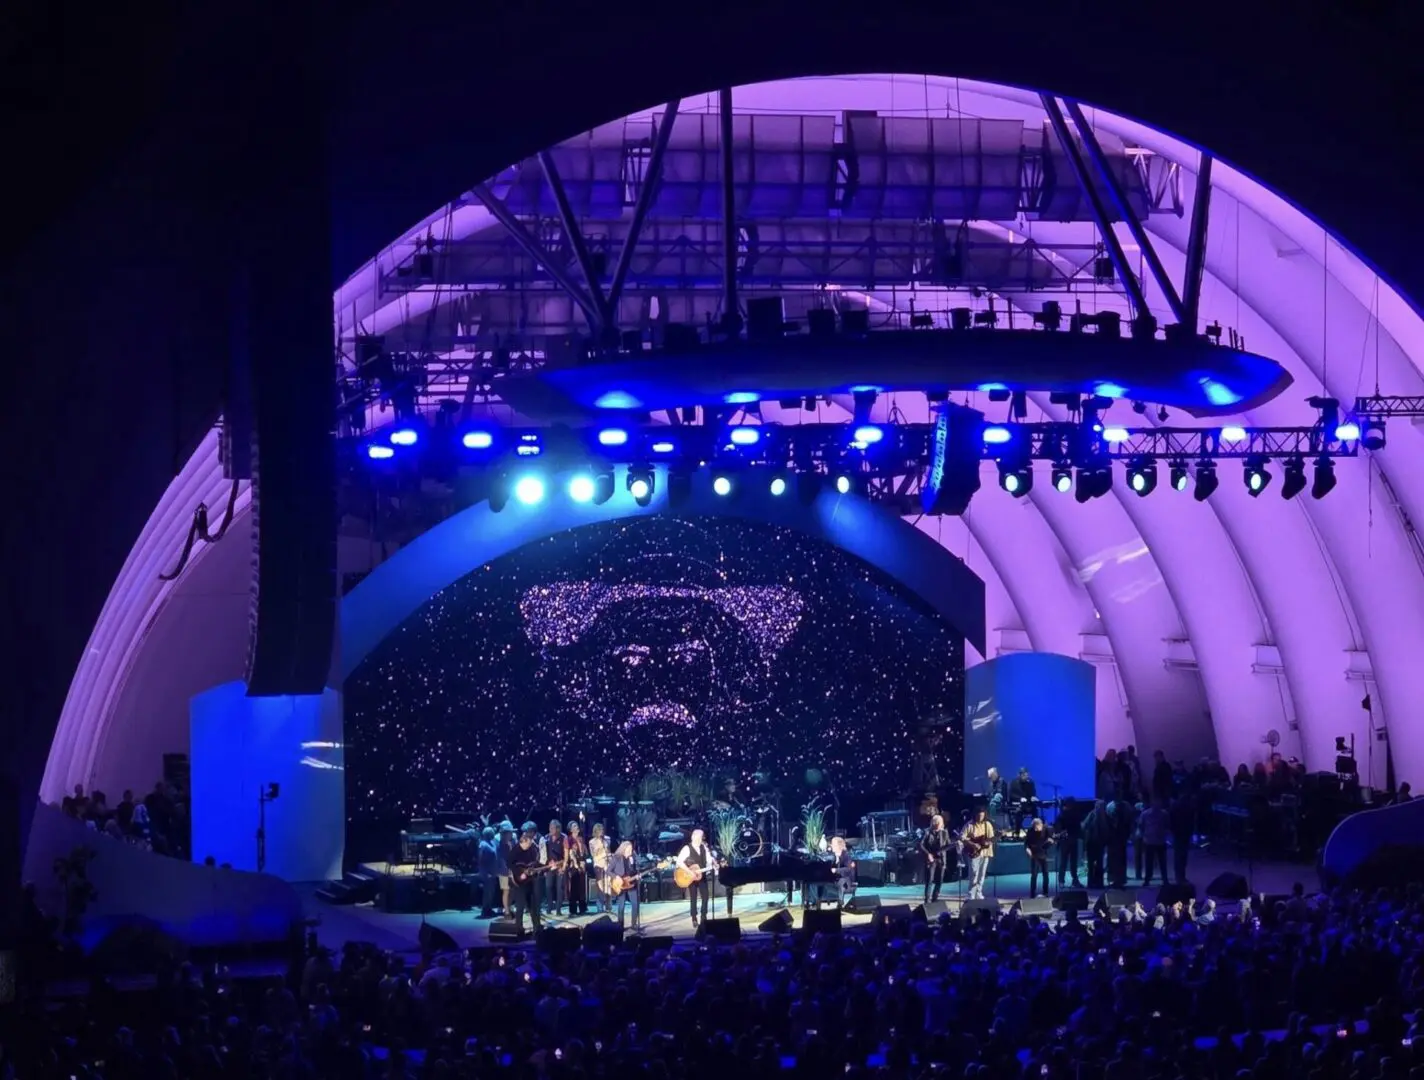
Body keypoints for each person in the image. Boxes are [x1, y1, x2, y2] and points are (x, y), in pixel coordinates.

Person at [675, 826, 717, 929]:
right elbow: (679, 862)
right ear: (693, 837)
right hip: (691, 877)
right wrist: (690, 872)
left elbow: (708, 859)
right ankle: (694, 918)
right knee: (693, 897)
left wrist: (713, 863)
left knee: (706, 896)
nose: (700, 840)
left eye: (701, 837)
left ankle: (704, 917)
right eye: (698, 838)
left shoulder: (704, 847)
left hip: (701, 875)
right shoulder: (687, 848)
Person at [507, 823, 544, 936]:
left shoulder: (532, 849)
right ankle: (519, 928)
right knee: (520, 906)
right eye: (527, 844)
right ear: (522, 842)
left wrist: (546, 867)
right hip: (518, 883)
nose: (529, 846)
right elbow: (510, 864)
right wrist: (519, 874)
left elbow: (535, 864)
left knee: (533, 906)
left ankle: (537, 928)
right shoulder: (515, 851)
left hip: (530, 882)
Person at [919, 814, 954, 903]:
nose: (937, 824)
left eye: (939, 822)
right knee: (929, 880)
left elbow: (948, 845)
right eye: (936, 822)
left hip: (941, 860)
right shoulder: (927, 832)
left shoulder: (944, 833)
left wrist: (955, 843)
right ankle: (927, 901)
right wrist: (928, 854)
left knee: (939, 881)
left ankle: (935, 900)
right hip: (931, 860)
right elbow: (920, 845)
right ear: (933, 823)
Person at [608, 840, 641, 931]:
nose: (631, 851)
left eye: (631, 849)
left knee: (635, 904)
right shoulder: (617, 857)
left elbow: (636, 869)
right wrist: (616, 877)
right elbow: (608, 871)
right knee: (621, 906)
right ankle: (620, 925)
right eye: (629, 849)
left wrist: (637, 875)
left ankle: (634, 924)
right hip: (620, 884)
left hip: (630, 883)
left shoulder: (633, 857)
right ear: (624, 849)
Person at [963, 807, 995, 901]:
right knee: (973, 873)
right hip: (974, 853)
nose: (980, 817)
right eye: (979, 815)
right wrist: (972, 844)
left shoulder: (987, 824)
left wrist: (988, 842)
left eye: (982, 815)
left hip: (985, 852)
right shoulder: (969, 825)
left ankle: (979, 892)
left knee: (982, 874)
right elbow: (962, 837)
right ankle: (971, 894)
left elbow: (991, 838)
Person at [1138, 798, 1171, 886]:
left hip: (1151, 840)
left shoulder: (1145, 814)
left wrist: (1144, 834)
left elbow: (1141, 825)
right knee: (1160, 861)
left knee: (1151, 861)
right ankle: (1164, 879)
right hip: (1157, 840)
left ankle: (1148, 880)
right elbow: (1167, 825)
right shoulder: (1164, 813)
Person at [1055, 796, 1083, 889]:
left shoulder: (1069, 815)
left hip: (1069, 840)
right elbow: (1059, 828)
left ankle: (1068, 881)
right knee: (1067, 862)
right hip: (1067, 841)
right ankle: (1064, 881)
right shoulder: (1065, 815)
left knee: (1068, 862)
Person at [1082, 799, 1108, 890]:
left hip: (1094, 842)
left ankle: (1093, 882)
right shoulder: (1100, 815)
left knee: (1094, 864)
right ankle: (1097, 883)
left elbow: (1083, 826)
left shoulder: (1093, 814)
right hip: (1095, 842)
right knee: (1096, 863)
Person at [1023, 817, 1052, 899]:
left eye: (1037, 828)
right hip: (1034, 855)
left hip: (1043, 854)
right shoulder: (1031, 831)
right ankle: (1032, 893)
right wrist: (1027, 850)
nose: (1036, 829)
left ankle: (1045, 892)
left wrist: (1050, 842)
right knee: (1034, 875)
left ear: (1041, 825)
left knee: (1045, 874)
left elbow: (1051, 839)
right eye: (1034, 828)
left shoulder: (1046, 829)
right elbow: (1026, 844)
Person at [543, 820, 567, 916]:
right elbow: (544, 854)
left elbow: (566, 855)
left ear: (558, 828)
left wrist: (560, 864)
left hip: (560, 866)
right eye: (550, 827)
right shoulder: (546, 838)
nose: (550, 829)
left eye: (552, 828)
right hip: (549, 867)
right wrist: (546, 865)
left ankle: (558, 909)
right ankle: (549, 907)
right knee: (548, 887)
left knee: (559, 888)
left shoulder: (563, 838)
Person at [564, 821, 589, 915]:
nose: (577, 827)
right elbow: (568, 853)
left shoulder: (580, 839)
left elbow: (585, 852)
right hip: (573, 865)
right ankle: (573, 909)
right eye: (574, 826)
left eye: (577, 826)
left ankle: (583, 908)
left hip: (582, 863)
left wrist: (584, 859)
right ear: (570, 829)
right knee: (574, 887)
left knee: (582, 887)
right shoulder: (568, 839)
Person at [477, 826, 501, 918]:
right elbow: (481, 859)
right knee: (487, 891)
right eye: (491, 833)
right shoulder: (482, 844)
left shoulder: (492, 843)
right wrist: (485, 871)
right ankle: (485, 909)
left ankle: (489, 908)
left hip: (493, 871)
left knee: (491, 891)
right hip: (487, 872)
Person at [588, 822, 611, 913]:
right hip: (598, 864)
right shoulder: (592, 842)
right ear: (596, 831)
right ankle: (600, 906)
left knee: (608, 885)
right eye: (599, 830)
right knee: (601, 886)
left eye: (602, 830)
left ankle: (608, 905)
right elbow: (593, 854)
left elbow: (609, 850)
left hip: (607, 863)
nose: (601, 832)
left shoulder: (607, 839)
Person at [1008, 767, 1037, 834]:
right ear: (1019, 775)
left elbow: (1033, 793)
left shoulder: (1030, 782)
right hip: (1018, 804)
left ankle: (1035, 831)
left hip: (1028, 804)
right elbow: (1011, 795)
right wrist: (1020, 798)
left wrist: (1033, 797)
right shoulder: (1014, 782)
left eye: (1027, 775)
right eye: (1024, 775)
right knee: (1018, 812)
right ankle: (1017, 832)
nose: (1025, 777)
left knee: (1035, 809)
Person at [829, 835, 855, 907]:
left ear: (839, 845)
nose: (831, 846)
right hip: (836, 878)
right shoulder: (832, 856)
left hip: (847, 879)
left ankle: (840, 902)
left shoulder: (846, 855)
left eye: (833, 844)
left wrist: (836, 870)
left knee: (842, 881)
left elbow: (849, 869)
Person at [496, 821, 515, 913]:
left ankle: (509, 906)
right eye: (509, 832)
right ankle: (506, 909)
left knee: (512, 890)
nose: (511, 834)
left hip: (512, 870)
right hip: (503, 871)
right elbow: (501, 859)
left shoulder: (513, 840)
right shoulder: (499, 843)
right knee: (505, 890)